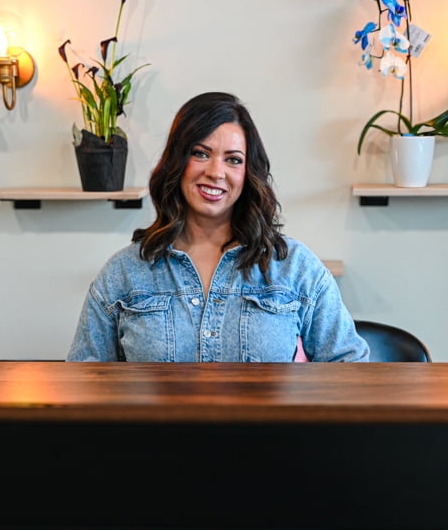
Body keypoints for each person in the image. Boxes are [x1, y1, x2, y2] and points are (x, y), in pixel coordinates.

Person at [68, 92, 370, 362]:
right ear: (177, 161)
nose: (215, 172)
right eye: (200, 153)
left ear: (248, 173)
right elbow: (85, 385)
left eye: (233, 160)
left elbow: (349, 368)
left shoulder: (295, 267)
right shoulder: (123, 272)